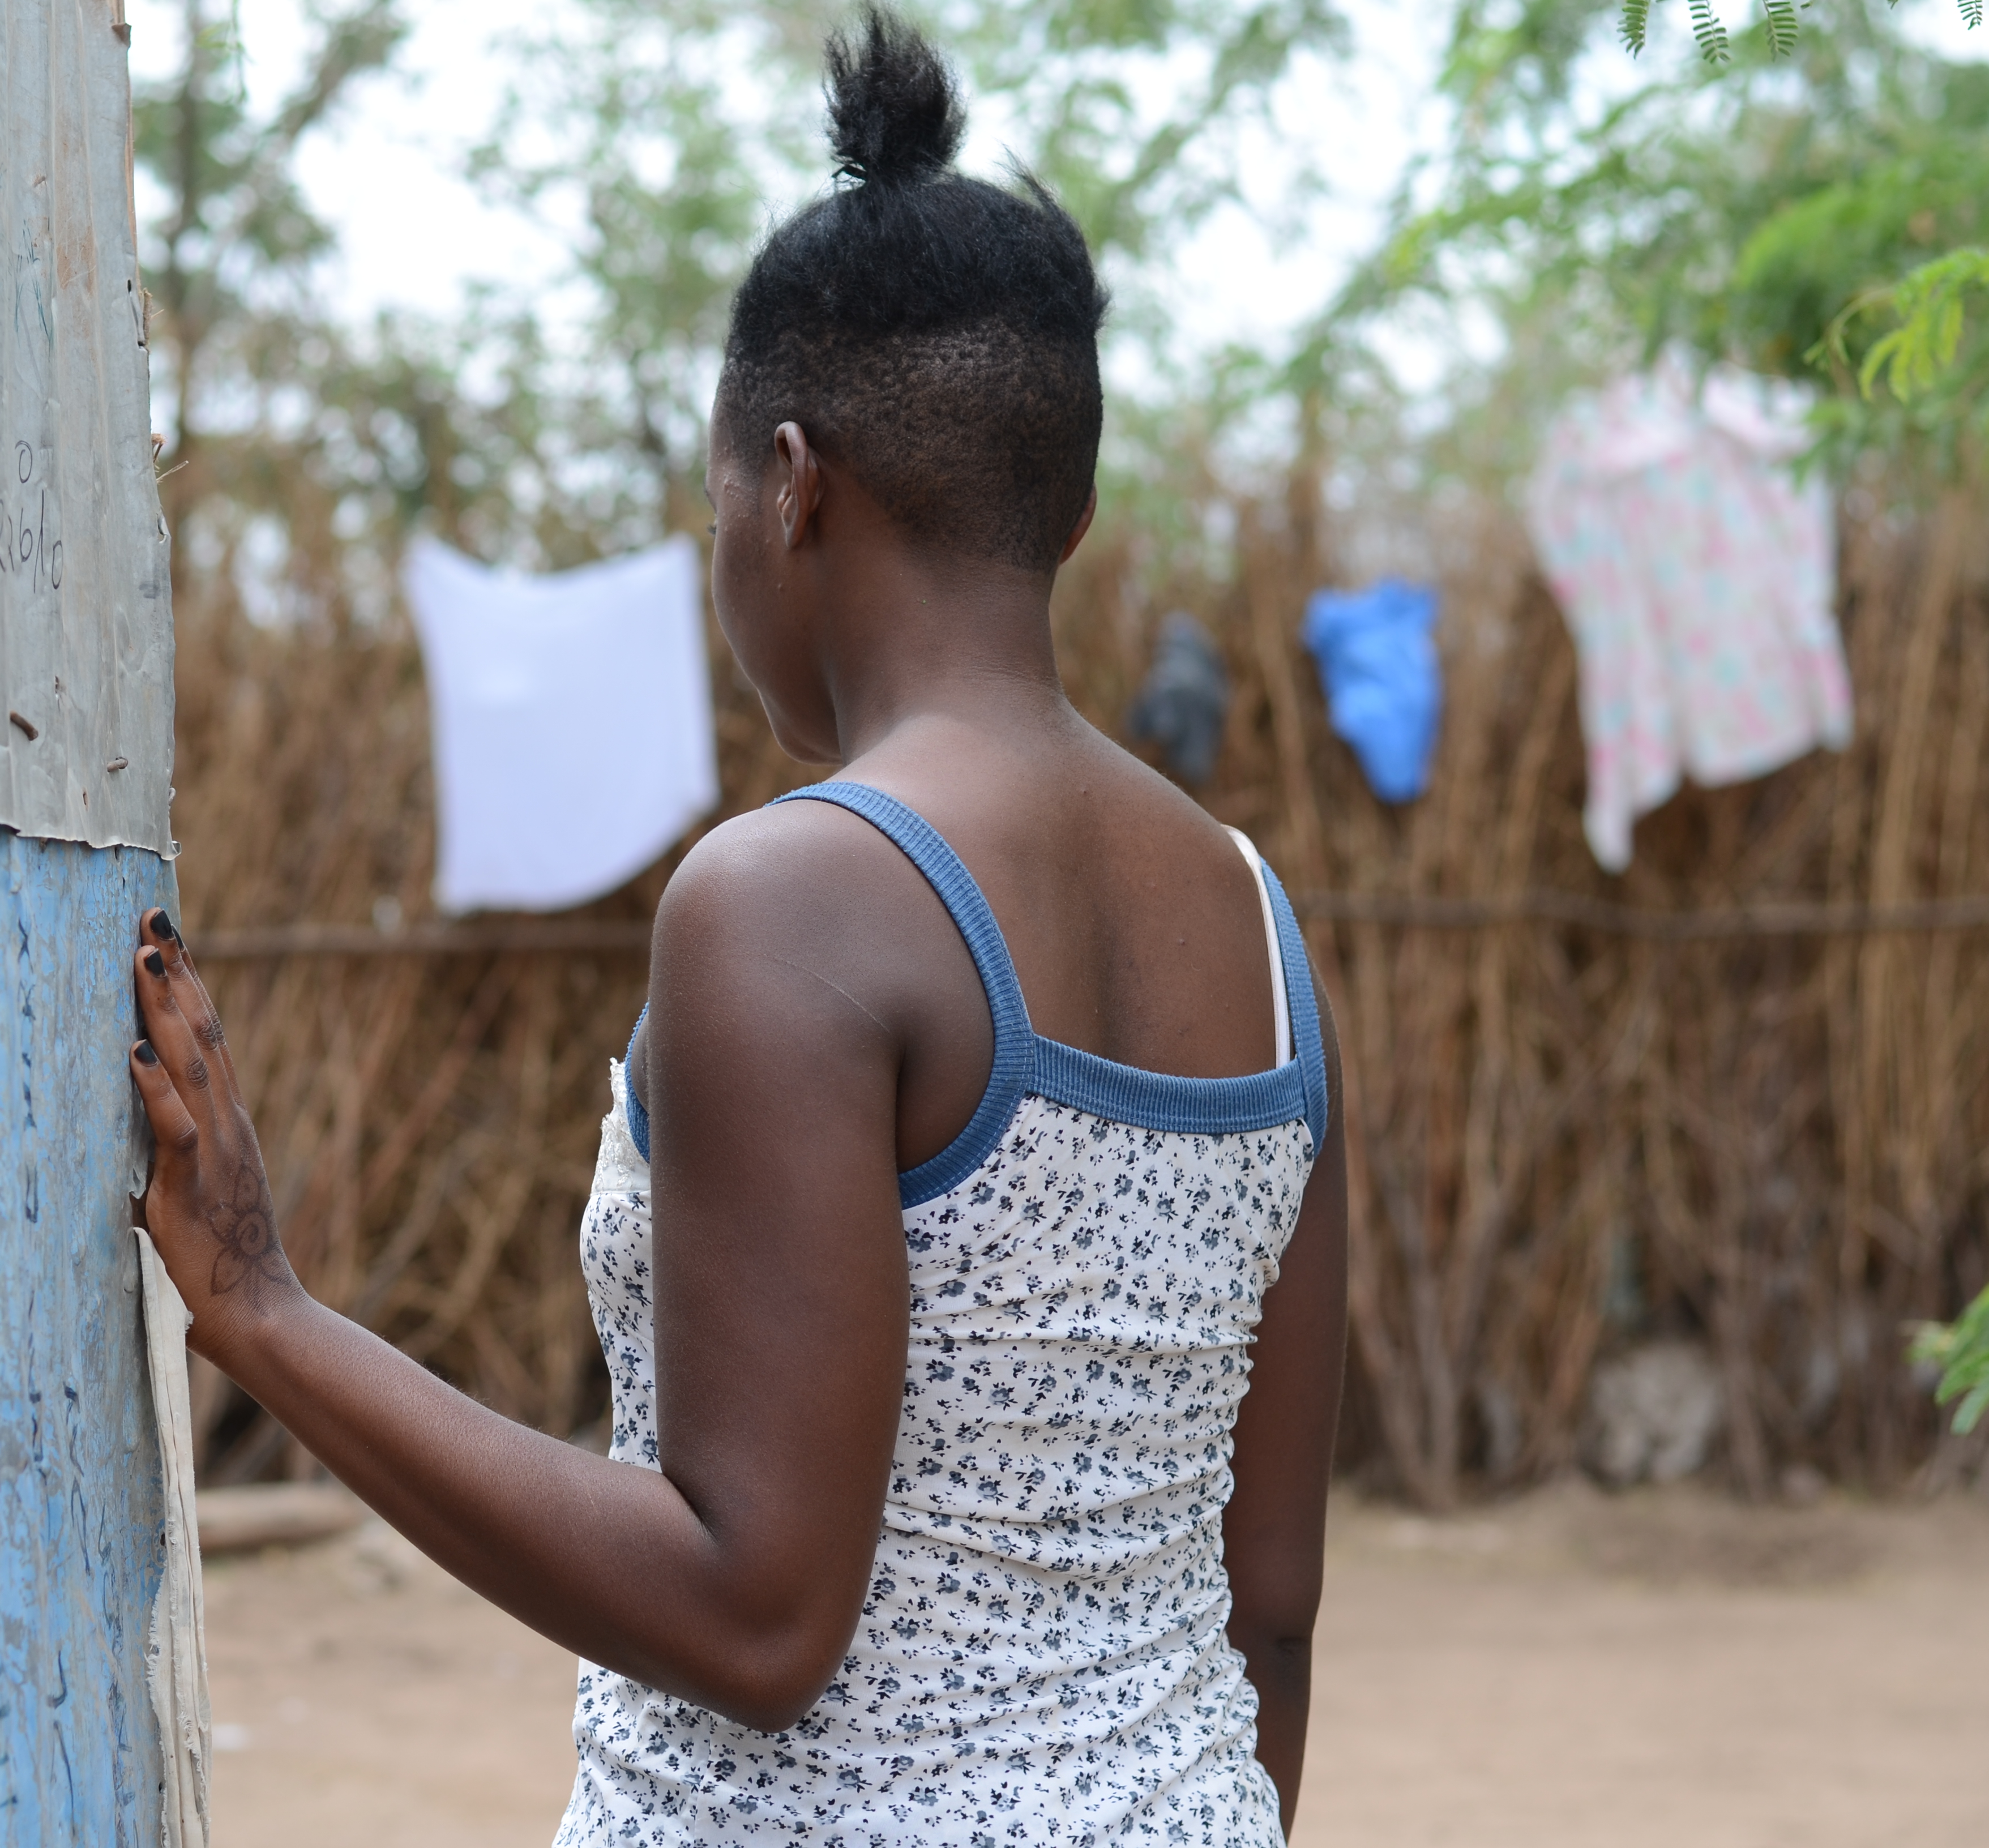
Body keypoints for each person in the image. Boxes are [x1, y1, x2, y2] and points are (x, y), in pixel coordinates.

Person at [127, 10, 1348, 1842]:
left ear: (792, 485)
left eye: (717, 498)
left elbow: (757, 1612)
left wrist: (264, 1312)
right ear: (1069, 506)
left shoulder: (801, 896)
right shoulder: (1256, 926)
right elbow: (1273, 1610)